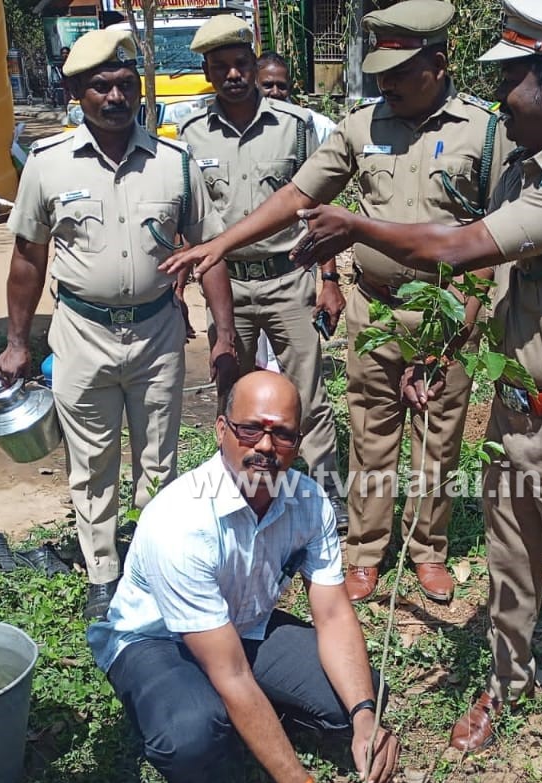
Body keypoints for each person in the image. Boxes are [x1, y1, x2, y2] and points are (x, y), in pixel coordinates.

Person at [283, 0, 542, 783]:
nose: (499, 98)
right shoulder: (529, 168)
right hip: (516, 412)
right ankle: (505, 687)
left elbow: (457, 248)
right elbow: (500, 290)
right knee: (512, 573)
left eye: (511, 80)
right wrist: (442, 354)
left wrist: (352, 226)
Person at [165, 0, 510, 605]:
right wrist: (220, 244)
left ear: (439, 61)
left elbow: (498, 238)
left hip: (448, 312)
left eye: (399, 72)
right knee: (371, 434)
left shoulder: (485, 131)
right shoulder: (359, 127)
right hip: (373, 310)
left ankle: (428, 551)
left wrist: (459, 330)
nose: (386, 84)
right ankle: (366, 552)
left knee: (438, 437)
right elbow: (298, 193)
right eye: (379, 73)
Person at [86, 371, 400, 783]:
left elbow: (334, 614)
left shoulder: (308, 501)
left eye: (282, 433)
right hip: (156, 640)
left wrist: (363, 716)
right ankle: (196, 782)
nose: (266, 446)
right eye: (250, 428)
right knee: (191, 733)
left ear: (299, 441)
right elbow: (230, 672)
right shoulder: (181, 521)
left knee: (360, 693)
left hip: (242, 627)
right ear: (221, 430)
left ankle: (252, 724)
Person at [0, 29, 238, 621]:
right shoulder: (48, 166)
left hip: (157, 333)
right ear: (78, 93)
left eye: (125, 84)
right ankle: (103, 572)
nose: (115, 96)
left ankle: (157, 562)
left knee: (160, 460)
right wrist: (14, 342)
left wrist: (224, 332)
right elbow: (29, 259)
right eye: (101, 86)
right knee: (93, 461)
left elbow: (209, 249)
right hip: (82, 334)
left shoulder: (174, 163)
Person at [178, 16, 348, 531]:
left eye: (241, 64)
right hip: (227, 286)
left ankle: (326, 493)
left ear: (254, 65)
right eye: (220, 67)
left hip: (287, 278)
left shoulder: (295, 127)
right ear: (208, 74)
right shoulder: (190, 134)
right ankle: (242, 490)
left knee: (307, 393)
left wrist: (330, 278)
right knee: (232, 390)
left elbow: (314, 207)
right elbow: (190, 220)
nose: (232, 74)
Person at [256, 52, 338, 143]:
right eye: (268, 86)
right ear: (254, 87)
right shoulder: (243, 126)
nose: (275, 92)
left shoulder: (312, 124)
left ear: (290, 88)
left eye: (281, 86)